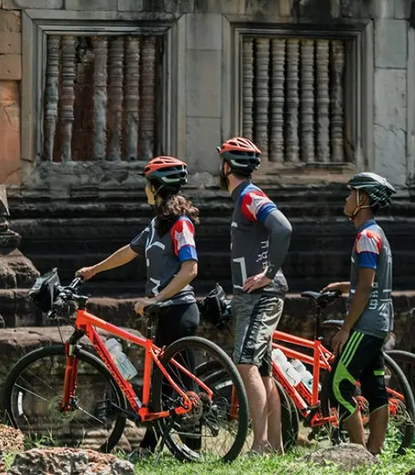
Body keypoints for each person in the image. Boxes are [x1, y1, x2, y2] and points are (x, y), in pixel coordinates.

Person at [76, 156, 201, 454]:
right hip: (162, 312)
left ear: (157, 187)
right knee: (159, 383)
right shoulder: (156, 224)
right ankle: (150, 444)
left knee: (183, 385)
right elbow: (128, 252)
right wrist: (94, 269)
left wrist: (157, 298)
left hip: (179, 311)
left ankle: (193, 448)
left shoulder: (181, 225)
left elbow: (190, 269)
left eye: (147, 185)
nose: (144, 190)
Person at [217, 137, 292, 454]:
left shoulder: (249, 196)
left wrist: (269, 274)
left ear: (226, 167)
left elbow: (283, 228)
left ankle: (259, 444)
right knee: (262, 370)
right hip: (254, 296)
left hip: (262, 295)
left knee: (246, 364)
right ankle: (274, 445)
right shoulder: (243, 198)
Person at [322, 172, 396, 455]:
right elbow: (372, 281)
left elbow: (366, 287)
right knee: (375, 387)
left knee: (339, 386)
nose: (345, 198)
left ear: (361, 199)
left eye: (350, 193)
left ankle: (357, 454)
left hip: (364, 325)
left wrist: (345, 328)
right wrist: (345, 286)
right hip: (380, 322)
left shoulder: (365, 237)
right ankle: (375, 453)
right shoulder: (378, 234)